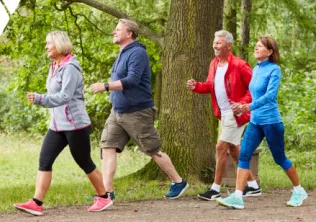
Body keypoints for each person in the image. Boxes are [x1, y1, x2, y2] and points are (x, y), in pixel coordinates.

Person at [14, 31, 113, 215]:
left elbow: (65, 96)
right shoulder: (54, 66)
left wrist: (40, 99)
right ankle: (37, 202)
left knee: (84, 161)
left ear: (59, 45)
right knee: (45, 160)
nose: (46, 47)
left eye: (49, 43)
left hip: (75, 125)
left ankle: (104, 197)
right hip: (57, 125)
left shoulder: (70, 68)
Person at [91, 19, 189, 200]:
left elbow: (132, 80)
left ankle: (178, 181)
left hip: (137, 112)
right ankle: (106, 194)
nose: (114, 32)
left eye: (118, 29)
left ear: (129, 34)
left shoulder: (137, 53)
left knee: (153, 149)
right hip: (117, 111)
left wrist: (105, 86)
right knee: (107, 147)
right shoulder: (122, 53)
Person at [217, 37, 308, 209]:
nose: (256, 48)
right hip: (255, 121)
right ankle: (237, 197)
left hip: (271, 122)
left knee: (279, 158)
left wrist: (248, 106)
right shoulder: (256, 69)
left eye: (260, 46)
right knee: (244, 155)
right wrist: (241, 105)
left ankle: (299, 190)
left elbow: (270, 96)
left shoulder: (274, 70)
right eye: (256, 46)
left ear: (270, 51)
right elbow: (253, 94)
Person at [187, 30, 261, 201]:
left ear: (229, 46)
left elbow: (254, 89)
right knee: (234, 150)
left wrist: (243, 104)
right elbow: (209, 85)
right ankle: (253, 186)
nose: (215, 45)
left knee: (220, 147)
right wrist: (196, 86)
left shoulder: (240, 65)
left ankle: (215, 189)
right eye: (214, 42)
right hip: (223, 114)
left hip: (236, 115)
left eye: (218, 43)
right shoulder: (214, 64)